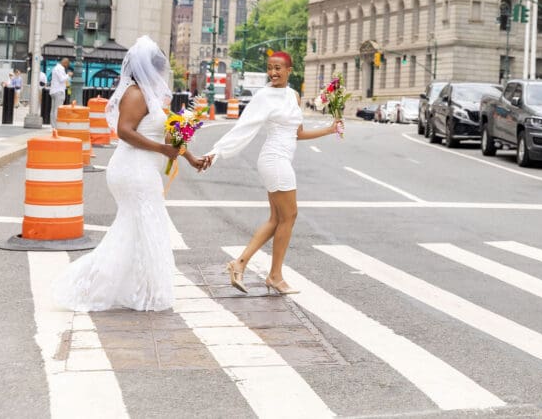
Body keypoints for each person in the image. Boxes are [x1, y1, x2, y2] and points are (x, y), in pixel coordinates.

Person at [53, 36, 205, 312]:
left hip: (143, 169)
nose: (162, 74)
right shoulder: (135, 94)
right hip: (133, 169)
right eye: (160, 69)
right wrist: (161, 147)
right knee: (145, 227)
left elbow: (169, 132)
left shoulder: (152, 97)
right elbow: (124, 131)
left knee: (136, 230)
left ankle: (135, 288)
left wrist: (191, 157)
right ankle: (96, 285)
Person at [201, 51, 343, 295]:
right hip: (274, 159)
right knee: (290, 216)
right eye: (270, 68)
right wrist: (216, 153)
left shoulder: (293, 96)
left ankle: (242, 264)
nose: (273, 72)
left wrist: (329, 129)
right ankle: (273, 275)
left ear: (289, 70)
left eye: (278, 68)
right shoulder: (264, 96)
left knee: (277, 219)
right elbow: (242, 128)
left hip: (281, 159)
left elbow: (297, 134)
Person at [49, 57, 70, 128]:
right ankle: (56, 126)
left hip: (53, 91)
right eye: (67, 64)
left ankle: (53, 125)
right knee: (57, 109)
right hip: (59, 91)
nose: (67, 66)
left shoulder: (55, 68)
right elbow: (62, 79)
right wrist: (68, 75)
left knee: (53, 109)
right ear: (65, 63)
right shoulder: (61, 68)